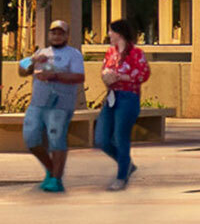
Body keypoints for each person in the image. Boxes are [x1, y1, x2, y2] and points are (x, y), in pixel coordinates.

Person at [19, 22, 88, 193]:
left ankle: (56, 179)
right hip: (38, 103)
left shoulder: (73, 54)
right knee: (31, 139)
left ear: (66, 36)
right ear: (49, 35)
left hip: (60, 104)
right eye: (53, 33)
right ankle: (51, 169)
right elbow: (22, 71)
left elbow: (79, 77)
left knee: (56, 139)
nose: (56, 36)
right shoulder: (41, 53)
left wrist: (55, 75)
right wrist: (32, 61)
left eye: (60, 33)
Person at [94, 21, 152, 190]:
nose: (109, 35)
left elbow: (143, 74)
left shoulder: (136, 53)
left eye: (111, 31)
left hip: (128, 97)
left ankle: (121, 176)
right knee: (101, 139)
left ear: (119, 33)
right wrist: (106, 76)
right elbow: (104, 70)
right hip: (112, 97)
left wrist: (120, 77)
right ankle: (126, 163)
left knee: (121, 136)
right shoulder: (110, 52)